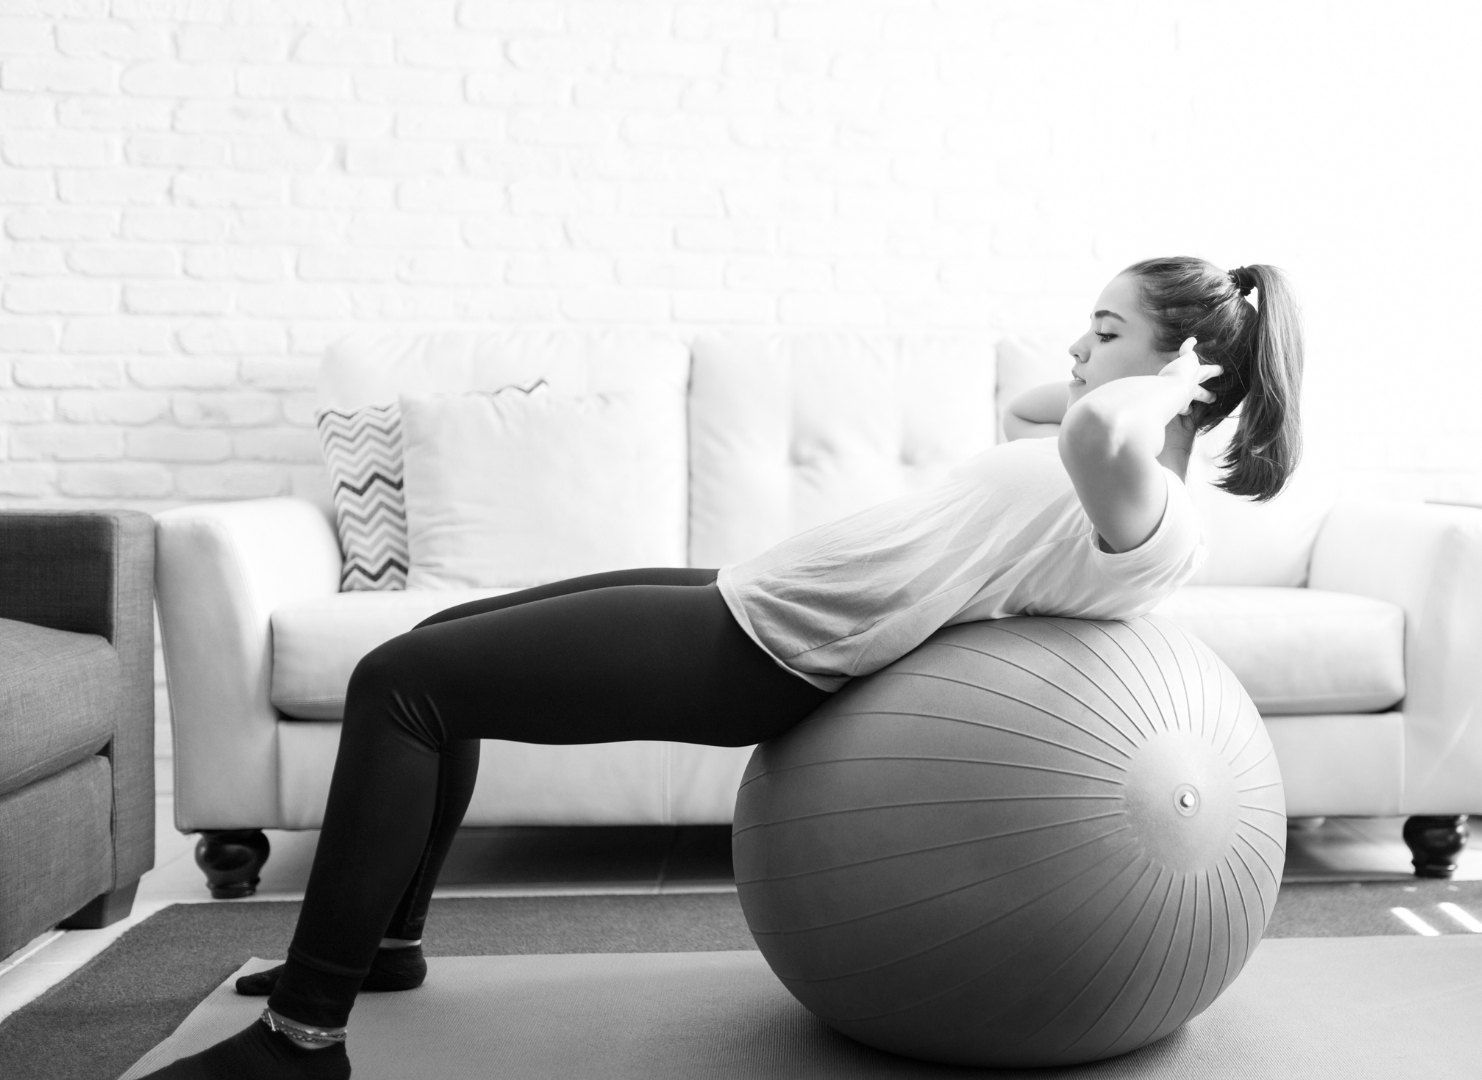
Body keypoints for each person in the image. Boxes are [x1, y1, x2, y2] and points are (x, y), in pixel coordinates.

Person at [148, 257, 1304, 1079]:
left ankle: (302, 1038)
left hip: (760, 653)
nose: (1077, 345)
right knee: (418, 658)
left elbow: (1093, 432)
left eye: (1104, 327)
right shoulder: (1099, 452)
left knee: (396, 693)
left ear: (1180, 364)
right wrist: (1130, 368)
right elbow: (1032, 401)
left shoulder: (1147, 503)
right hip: (739, 594)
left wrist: (1163, 391)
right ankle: (384, 946)